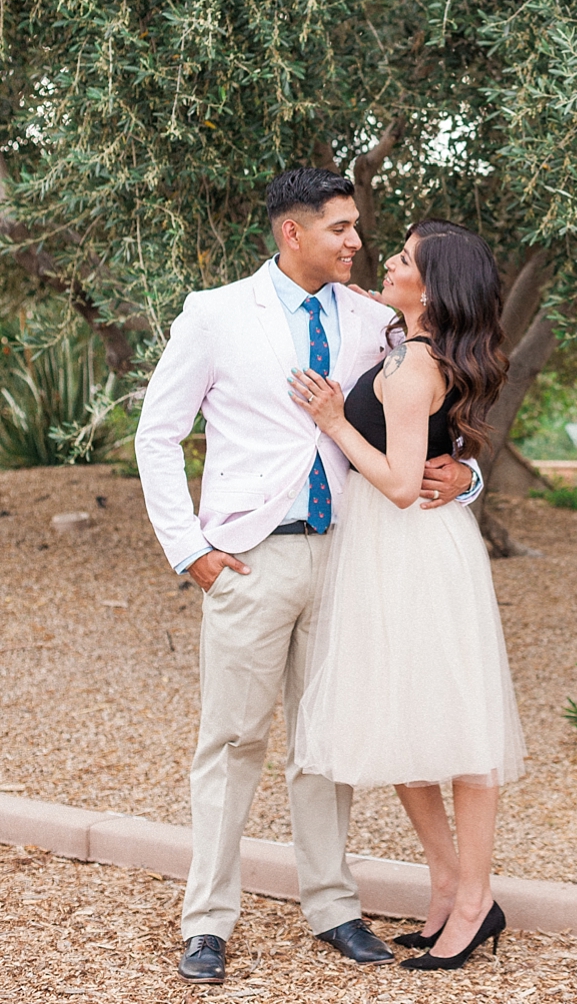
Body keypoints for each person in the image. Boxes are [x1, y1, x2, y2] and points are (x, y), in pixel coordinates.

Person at [134, 170, 484, 982]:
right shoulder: (215, 314)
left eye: (359, 228)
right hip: (251, 559)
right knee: (231, 741)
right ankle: (207, 922)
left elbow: (441, 411)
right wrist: (190, 550)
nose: (357, 242)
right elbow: (158, 435)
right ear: (292, 233)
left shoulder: (377, 322)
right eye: (341, 228)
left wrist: (467, 480)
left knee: (325, 744)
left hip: (351, 557)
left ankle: (332, 908)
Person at [291, 219, 526, 973]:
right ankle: (445, 884)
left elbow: (396, 485)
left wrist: (332, 420)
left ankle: (473, 901)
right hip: (390, 555)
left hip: (414, 551)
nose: (386, 261)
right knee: (404, 723)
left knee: (457, 732)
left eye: (401, 260)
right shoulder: (404, 345)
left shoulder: (416, 365)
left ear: (430, 285)